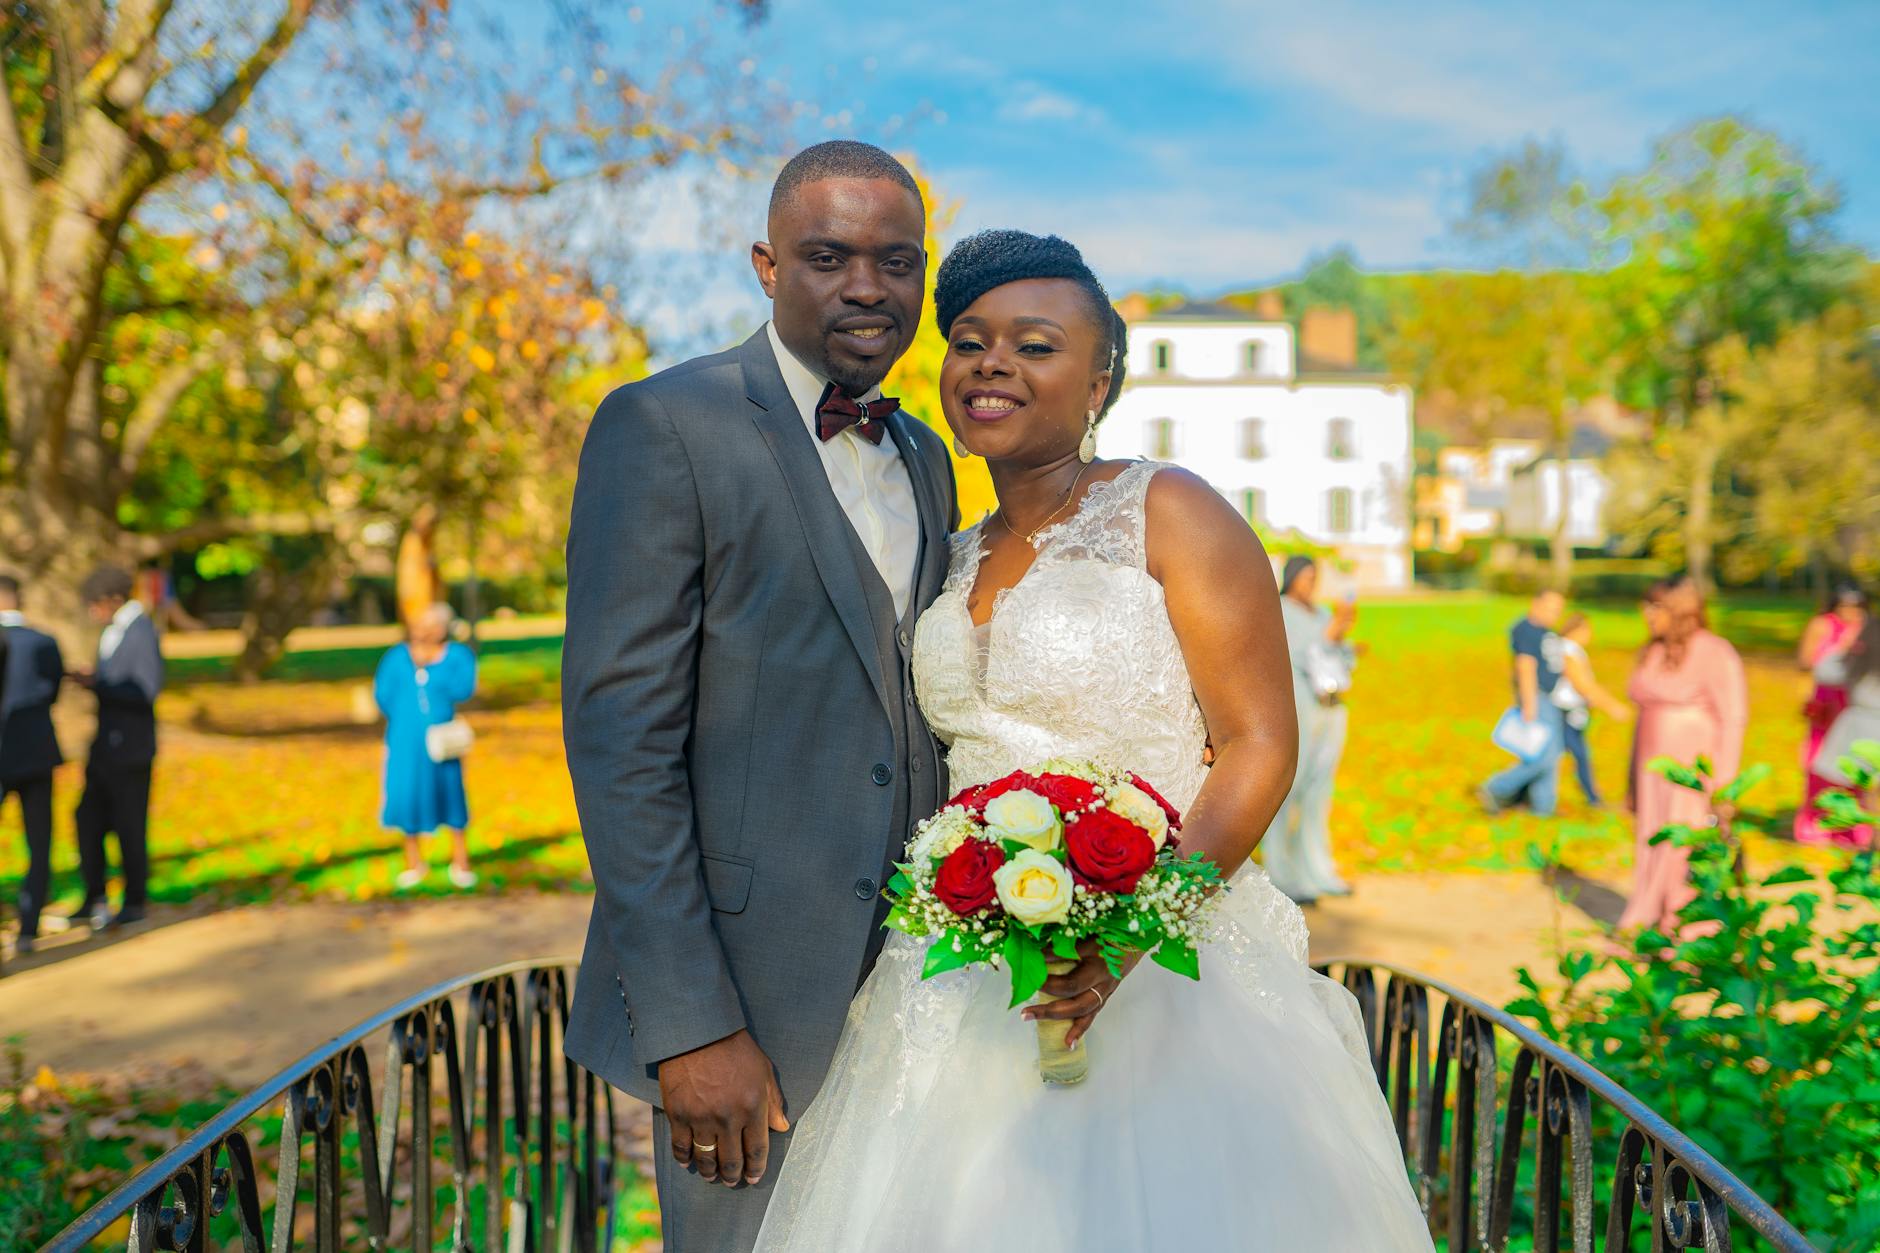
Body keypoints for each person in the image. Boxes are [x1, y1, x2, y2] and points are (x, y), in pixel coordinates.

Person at [752, 231, 1431, 1251]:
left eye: (1034, 345)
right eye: (970, 341)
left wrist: (1122, 941)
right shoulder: (945, 551)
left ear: (1099, 378)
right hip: (957, 967)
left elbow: (1255, 745)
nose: (992, 363)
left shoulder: (1171, 510)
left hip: (1164, 966)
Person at [560, 141, 958, 1251]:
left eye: (896, 260)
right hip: (747, 1001)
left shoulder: (926, 454)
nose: (868, 287)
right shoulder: (663, 427)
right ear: (764, 263)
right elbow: (619, 745)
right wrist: (690, 1027)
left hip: (922, 983)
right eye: (829, 256)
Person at [1616, 577, 1748, 936]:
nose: (1647, 614)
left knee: (1684, 844)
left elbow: (1733, 718)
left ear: (1680, 609)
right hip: (1651, 771)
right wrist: (1630, 778)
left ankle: (1686, 927)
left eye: (1656, 606)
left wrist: (1724, 784)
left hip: (1692, 771)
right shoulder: (1655, 651)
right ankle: (1649, 918)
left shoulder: (1714, 651)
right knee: (1652, 839)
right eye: (1645, 606)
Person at [70, 566, 164, 931]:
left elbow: (145, 690)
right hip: (106, 746)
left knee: (129, 825)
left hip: (131, 748)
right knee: (88, 819)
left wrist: (96, 685)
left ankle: (135, 900)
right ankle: (95, 894)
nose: (92, 612)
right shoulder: (116, 630)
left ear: (111, 600)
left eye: (94, 604)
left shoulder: (139, 630)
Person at [1263, 554, 1358, 903]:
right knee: (1292, 787)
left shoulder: (1320, 613)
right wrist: (1334, 631)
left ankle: (1317, 869)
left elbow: (1342, 658)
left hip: (1331, 707)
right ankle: (1281, 872)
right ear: (1291, 578)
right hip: (1300, 706)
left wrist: (1342, 635)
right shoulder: (1282, 611)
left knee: (1320, 791)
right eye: (1304, 577)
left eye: (1314, 577)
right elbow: (1301, 654)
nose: (1310, 584)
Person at [374, 602, 478, 890]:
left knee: (451, 793)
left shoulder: (457, 655)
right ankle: (414, 861)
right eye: (419, 625)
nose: (422, 631)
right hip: (404, 739)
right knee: (406, 794)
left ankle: (461, 861)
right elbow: (382, 694)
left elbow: (464, 689)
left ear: (444, 629)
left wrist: (432, 670)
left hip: (443, 739)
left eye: (431, 626)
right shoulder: (397, 657)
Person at [1, 576, 67, 955]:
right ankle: (28, 927)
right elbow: (53, 693)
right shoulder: (43, 642)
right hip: (37, 754)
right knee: (38, 841)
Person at [1479, 588, 1568, 817]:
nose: (1555, 614)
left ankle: (1543, 808)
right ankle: (1496, 788)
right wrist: (1530, 704)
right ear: (1535, 603)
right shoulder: (1526, 630)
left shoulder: (1544, 631)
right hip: (1537, 698)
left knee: (1551, 754)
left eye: (1558, 610)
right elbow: (1525, 667)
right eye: (1550, 608)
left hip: (1550, 698)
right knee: (1542, 756)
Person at [1795, 585, 1867, 845]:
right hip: (1826, 701)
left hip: (1854, 701)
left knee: (1853, 761)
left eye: (1856, 607)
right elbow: (1804, 662)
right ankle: (1816, 820)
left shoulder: (1865, 628)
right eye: (1845, 606)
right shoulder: (1822, 625)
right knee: (1820, 758)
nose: (1851, 612)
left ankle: (1849, 825)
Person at [1807, 615, 1878, 849]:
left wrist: (1846, 646)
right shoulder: (1858, 664)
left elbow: (1823, 669)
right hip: (1863, 725)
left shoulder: (1857, 664)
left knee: (1867, 789)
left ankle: (1870, 840)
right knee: (1870, 789)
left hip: (1859, 728)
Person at [1552, 612, 1632, 808]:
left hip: (1571, 711)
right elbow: (1582, 684)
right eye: (1588, 630)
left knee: (1567, 753)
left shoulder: (1569, 649)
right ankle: (1592, 797)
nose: (1590, 636)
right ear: (1577, 630)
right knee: (1576, 754)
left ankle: (1590, 795)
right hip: (1566, 711)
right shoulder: (1568, 650)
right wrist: (1612, 706)